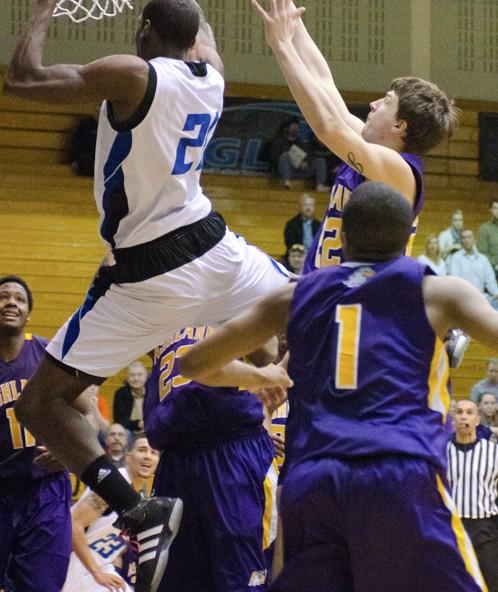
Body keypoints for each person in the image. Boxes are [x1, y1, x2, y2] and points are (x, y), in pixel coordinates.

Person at [7, 0, 289, 592]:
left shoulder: (132, 74)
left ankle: (137, 509)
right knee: (311, 302)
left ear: (143, 31)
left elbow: (22, 79)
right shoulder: (211, 77)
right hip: (215, 248)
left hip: (147, 273)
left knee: (42, 403)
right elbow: (203, 31)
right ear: (190, 40)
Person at [179, 181, 498, 592]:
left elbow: (195, 363)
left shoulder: (293, 297)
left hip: (314, 479)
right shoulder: (437, 291)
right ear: (408, 239)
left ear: (343, 238)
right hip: (399, 470)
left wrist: (261, 376)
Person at [250, 0, 467, 364]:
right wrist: (291, 20)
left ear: (399, 124)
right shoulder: (372, 148)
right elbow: (325, 85)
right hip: (325, 291)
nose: (372, 104)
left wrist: (279, 45)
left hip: (357, 305)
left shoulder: (400, 171)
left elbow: (326, 124)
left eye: (384, 101)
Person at [143, 325, 278, 592]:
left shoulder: (231, 291)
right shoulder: (160, 301)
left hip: (232, 449)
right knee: (179, 581)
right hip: (175, 453)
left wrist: (233, 309)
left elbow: (269, 354)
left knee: (240, 579)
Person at [0, 276, 72, 592]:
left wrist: (67, 449)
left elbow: (88, 413)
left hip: (44, 485)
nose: (11, 302)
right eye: (3, 297)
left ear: (28, 313)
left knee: (42, 584)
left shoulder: (47, 353)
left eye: (20, 299)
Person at [63, 433, 160, 592]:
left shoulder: (140, 498)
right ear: (128, 456)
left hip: (101, 567)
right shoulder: (113, 485)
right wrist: (96, 572)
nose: (148, 457)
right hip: (75, 563)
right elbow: (73, 525)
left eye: (153, 453)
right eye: (142, 450)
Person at [447, 400, 498, 591]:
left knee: (492, 583)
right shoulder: (441, 451)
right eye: (459, 412)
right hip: (452, 528)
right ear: (454, 418)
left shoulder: (493, 452)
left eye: (469, 413)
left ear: (477, 420)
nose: (464, 417)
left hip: (485, 528)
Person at [267, 119, 329, 191]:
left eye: (297, 127)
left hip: (300, 171)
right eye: (293, 127)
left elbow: (310, 155)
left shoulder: (302, 144)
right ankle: (287, 183)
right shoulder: (279, 143)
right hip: (286, 171)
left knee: (320, 161)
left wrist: (306, 162)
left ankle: (320, 185)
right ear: (288, 128)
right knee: (284, 156)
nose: (295, 129)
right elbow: (274, 158)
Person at [449, 229, 498, 310]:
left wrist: (496, 293)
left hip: (481, 298)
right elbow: (455, 282)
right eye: (463, 238)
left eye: (469, 237)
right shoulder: (456, 258)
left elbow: (490, 281)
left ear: (474, 240)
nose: (466, 240)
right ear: (461, 241)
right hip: (463, 299)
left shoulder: (483, 259)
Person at [113, 361, 148, 436]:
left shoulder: (153, 392)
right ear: (128, 379)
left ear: (146, 377)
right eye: (132, 375)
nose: (136, 378)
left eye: (140, 375)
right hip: (128, 432)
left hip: (149, 430)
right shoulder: (121, 394)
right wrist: (138, 424)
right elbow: (119, 421)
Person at [478, 199, 498, 278]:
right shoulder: (484, 228)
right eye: (495, 208)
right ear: (490, 210)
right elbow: (483, 253)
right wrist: (496, 264)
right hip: (492, 268)